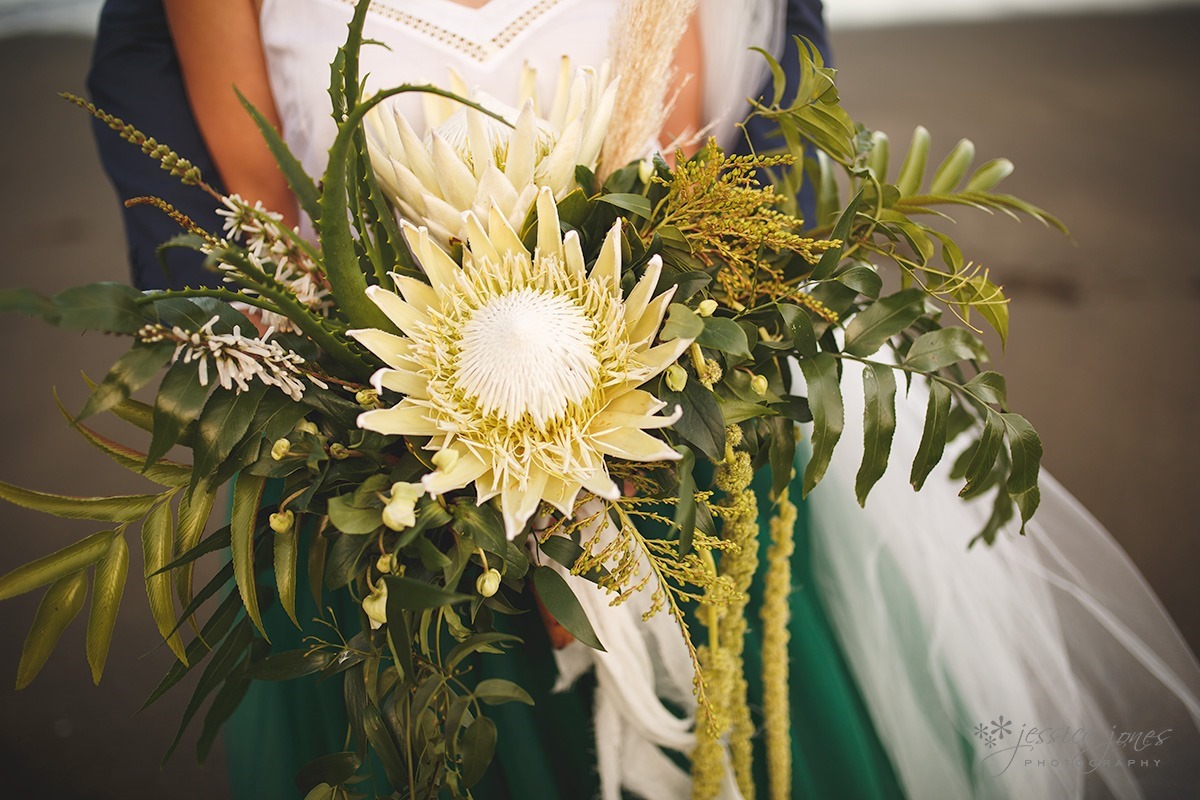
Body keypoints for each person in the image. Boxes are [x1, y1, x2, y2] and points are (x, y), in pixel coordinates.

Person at [88, 1, 1200, 799]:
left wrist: (598, 481)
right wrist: (417, 457)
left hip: (658, 441)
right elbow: (264, 224)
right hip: (377, 473)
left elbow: (678, 206)